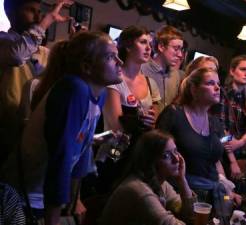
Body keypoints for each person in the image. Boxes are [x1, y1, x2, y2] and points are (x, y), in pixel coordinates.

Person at [1, 31, 123, 225]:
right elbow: (61, 158)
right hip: (22, 199)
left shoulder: (100, 94)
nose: (120, 62)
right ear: (87, 67)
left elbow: (80, 152)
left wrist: (76, 199)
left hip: (44, 198)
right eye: (110, 57)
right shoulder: (73, 89)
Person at [157, 67, 241, 219]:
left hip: (213, 195)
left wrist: (228, 189)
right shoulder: (174, 114)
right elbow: (156, 157)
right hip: (181, 193)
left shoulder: (216, 122)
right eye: (210, 83)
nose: (217, 88)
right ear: (194, 89)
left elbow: (215, 161)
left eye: (218, 83)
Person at [0, 0, 73, 164]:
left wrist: (75, 43)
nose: (38, 16)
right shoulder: (3, 40)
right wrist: (47, 21)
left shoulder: (43, 52)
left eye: (39, 12)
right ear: (11, 12)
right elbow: (17, 56)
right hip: (7, 131)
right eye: (31, 10)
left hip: (35, 131)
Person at [100, 130, 195, 225]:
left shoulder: (161, 184)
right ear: (151, 161)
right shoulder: (139, 190)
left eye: (175, 151)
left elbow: (189, 215)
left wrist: (182, 180)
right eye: (166, 155)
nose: (177, 159)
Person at [103, 25, 161, 138]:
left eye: (150, 44)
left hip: (141, 148)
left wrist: (151, 120)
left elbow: (155, 124)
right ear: (128, 46)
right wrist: (140, 121)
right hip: (115, 149)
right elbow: (116, 127)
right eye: (143, 42)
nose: (149, 48)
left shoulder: (151, 83)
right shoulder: (114, 80)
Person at [215, 55, 246, 179]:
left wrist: (240, 141)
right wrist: (232, 160)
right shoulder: (221, 93)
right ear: (232, 71)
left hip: (238, 150)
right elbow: (221, 128)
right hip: (222, 152)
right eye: (243, 69)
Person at [141, 25, 184, 111]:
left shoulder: (177, 75)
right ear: (161, 47)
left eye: (181, 49)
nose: (180, 55)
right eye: (176, 49)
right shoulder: (141, 70)